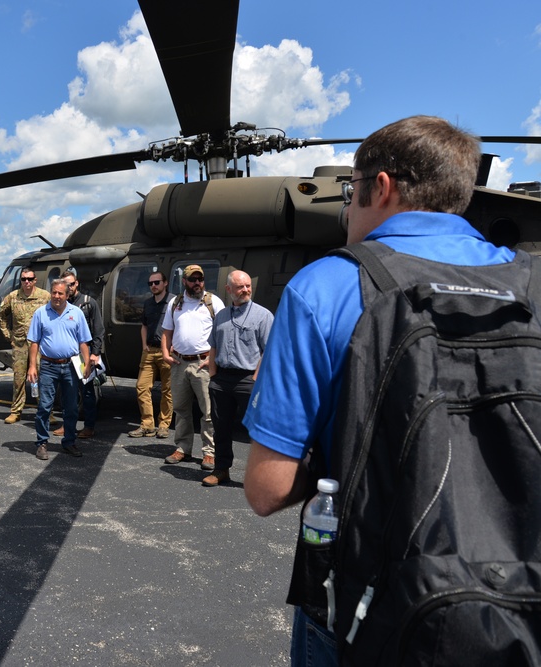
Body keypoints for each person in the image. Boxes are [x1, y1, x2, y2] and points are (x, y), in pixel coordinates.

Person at [242, 116, 516, 666]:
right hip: (511, 603)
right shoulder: (530, 285)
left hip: (365, 604)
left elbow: (267, 489)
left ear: (382, 186)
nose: (346, 209)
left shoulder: (325, 286)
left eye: (351, 192)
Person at [203, 270, 273, 486]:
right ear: (229, 289)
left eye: (248, 286)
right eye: (240, 287)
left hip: (248, 380)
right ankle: (221, 469)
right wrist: (213, 376)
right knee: (220, 427)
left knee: (257, 429)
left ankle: (263, 476)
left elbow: (269, 350)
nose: (245, 290)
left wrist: (255, 379)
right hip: (222, 380)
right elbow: (213, 346)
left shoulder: (263, 316)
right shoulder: (221, 316)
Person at [160, 264, 225, 468]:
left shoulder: (213, 302)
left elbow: (224, 332)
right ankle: (183, 448)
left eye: (200, 279)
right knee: (180, 409)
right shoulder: (175, 303)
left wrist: (213, 359)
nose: (197, 283)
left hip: (203, 363)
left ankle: (209, 452)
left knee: (207, 411)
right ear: (185, 282)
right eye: (193, 279)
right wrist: (165, 354)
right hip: (179, 363)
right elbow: (166, 333)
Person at [27, 278, 92, 460]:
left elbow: (83, 341)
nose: (56, 296)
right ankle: (41, 443)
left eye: (60, 293)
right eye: (54, 292)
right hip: (48, 366)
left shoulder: (76, 313)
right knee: (45, 406)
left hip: (70, 366)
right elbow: (34, 342)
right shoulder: (41, 313)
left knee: (71, 408)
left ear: (67, 294)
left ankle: (69, 442)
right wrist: (32, 366)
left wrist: (87, 364)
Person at [51, 271, 104, 438]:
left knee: (87, 393)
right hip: (66, 356)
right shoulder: (59, 305)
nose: (70, 288)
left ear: (77, 283)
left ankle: (89, 427)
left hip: (83, 355)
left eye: (72, 284)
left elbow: (98, 331)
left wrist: (94, 355)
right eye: (66, 285)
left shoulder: (89, 303)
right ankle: (68, 426)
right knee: (67, 393)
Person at [0, 268, 50, 424]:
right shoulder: (13, 297)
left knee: (41, 377)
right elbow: (1, 316)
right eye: (23, 279)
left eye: (29, 279)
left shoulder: (45, 297)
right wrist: (8, 335)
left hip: (39, 344)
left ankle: (46, 411)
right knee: (19, 378)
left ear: (35, 280)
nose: (26, 282)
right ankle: (16, 411)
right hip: (19, 344)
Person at [129, 270, 174, 439]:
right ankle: (147, 424)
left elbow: (179, 325)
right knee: (142, 387)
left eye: (157, 282)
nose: (153, 286)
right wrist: (144, 345)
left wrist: (172, 347)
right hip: (149, 350)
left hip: (167, 352)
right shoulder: (148, 303)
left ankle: (163, 425)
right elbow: (144, 326)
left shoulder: (173, 302)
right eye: (151, 284)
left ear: (165, 283)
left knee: (167, 390)